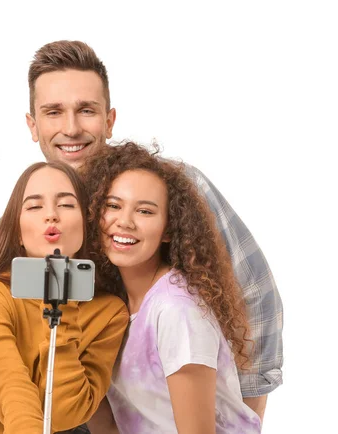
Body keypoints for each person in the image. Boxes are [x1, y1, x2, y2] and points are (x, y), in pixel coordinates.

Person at [24, 40, 282, 422]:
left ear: (109, 120)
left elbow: (255, 291)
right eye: (53, 112)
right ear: (33, 125)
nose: (71, 128)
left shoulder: (171, 187)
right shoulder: (39, 210)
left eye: (87, 111)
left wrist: (243, 412)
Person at [0, 161, 129, 433]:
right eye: (34, 206)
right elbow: (12, 391)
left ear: (86, 223)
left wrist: (64, 312)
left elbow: (64, 413)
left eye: (66, 204)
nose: (51, 215)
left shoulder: (109, 313)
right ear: (17, 231)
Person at [84, 142, 262, 433]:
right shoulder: (116, 302)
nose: (124, 222)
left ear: (168, 230)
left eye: (144, 211)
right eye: (113, 206)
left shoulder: (176, 310)